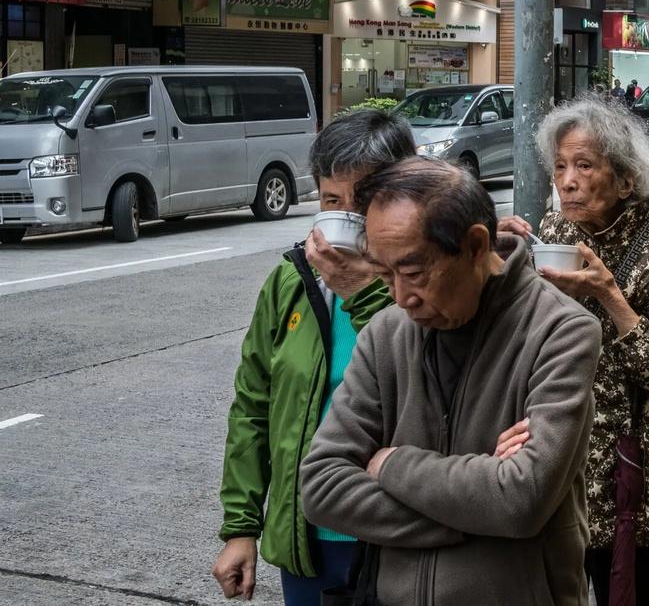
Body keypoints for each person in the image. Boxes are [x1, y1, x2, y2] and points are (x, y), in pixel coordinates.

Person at [299, 158, 604, 605]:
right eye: (386, 275)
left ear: (476, 246)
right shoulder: (386, 334)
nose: (401, 297)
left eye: (415, 273)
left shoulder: (560, 331)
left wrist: (392, 464)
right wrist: (480, 511)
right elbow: (323, 487)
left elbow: (522, 500)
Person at [490, 98, 649, 603]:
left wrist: (609, 295)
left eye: (584, 166)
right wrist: (489, 256)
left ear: (624, 179)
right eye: (559, 167)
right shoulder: (554, 233)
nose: (567, 181)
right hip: (562, 459)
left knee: (638, 588)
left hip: (639, 471)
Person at [213, 111, 417, 605]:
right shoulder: (291, 283)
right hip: (308, 537)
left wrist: (365, 291)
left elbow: (426, 376)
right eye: (332, 200)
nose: (347, 214)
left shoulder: (427, 281)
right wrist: (241, 529)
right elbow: (252, 407)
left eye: (364, 199)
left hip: (399, 537)